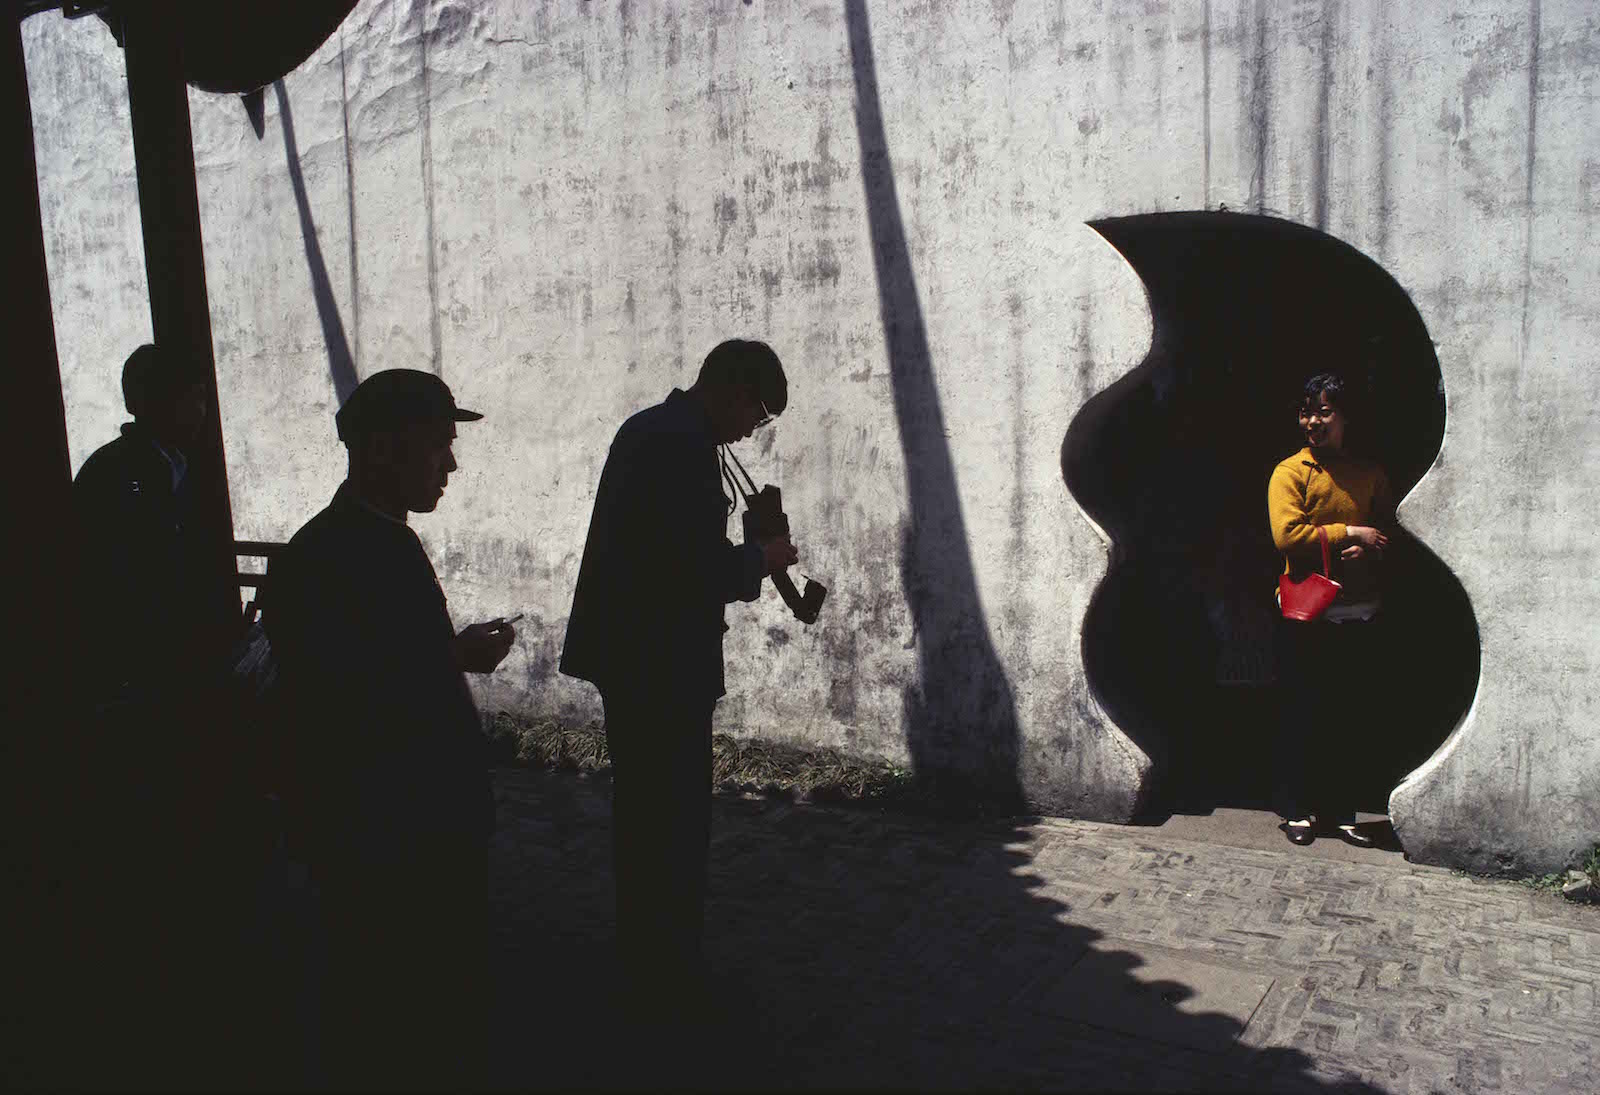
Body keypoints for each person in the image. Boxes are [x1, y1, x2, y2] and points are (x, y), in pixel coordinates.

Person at [262, 368, 516, 1088]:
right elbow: (344, 703)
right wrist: (451, 658)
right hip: (394, 834)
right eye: (438, 447)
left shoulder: (357, 544)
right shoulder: (334, 557)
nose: (452, 464)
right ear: (381, 450)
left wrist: (449, 656)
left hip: (404, 827)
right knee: (400, 1014)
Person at [560, 339, 799, 1018]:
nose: (751, 430)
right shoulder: (679, 446)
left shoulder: (660, 431)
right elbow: (684, 569)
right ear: (729, 389)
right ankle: (665, 969)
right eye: (754, 414)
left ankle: (651, 956)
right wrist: (761, 557)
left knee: (649, 814)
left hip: (641, 658)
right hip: (657, 663)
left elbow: (667, 551)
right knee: (670, 818)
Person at [1267, 372, 1394, 847]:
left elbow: (1390, 528)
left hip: (1359, 610)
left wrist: (1374, 547)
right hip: (1307, 614)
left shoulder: (1370, 473)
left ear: (1345, 416)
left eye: (1323, 411)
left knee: (1349, 718)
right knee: (1302, 713)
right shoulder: (1291, 472)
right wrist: (1350, 534)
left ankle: (1343, 813)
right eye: (1305, 411)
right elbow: (1287, 536)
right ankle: (1297, 811)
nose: (1312, 421)